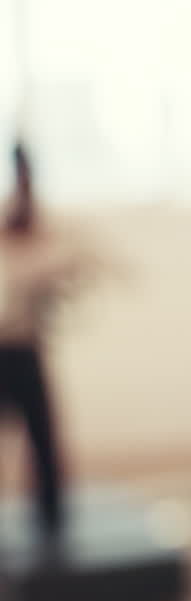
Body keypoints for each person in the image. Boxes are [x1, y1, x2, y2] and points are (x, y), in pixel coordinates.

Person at [0, 140, 80, 543]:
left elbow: (57, 266)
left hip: (26, 349)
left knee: (44, 438)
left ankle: (52, 526)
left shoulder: (42, 224)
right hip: (4, 347)